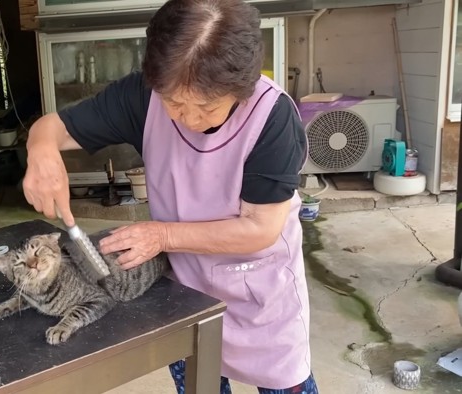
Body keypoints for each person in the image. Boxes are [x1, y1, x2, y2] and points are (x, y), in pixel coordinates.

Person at [22, 0, 319, 392]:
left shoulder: (272, 119)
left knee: (286, 384)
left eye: (207, 108)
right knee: (199, 382)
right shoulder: (143, 96)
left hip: (260, 290)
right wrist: (41, 150)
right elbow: (53, 127)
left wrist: (162, 236)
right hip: (185, 288)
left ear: (241, 90)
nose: (189, 120)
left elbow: (260, 229)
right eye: (174, 103)